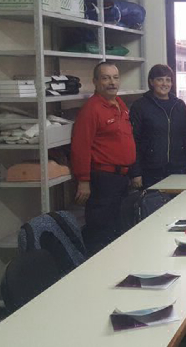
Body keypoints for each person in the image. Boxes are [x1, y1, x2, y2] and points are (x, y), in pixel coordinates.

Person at [71, 62, 138, 254]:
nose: (112, 82)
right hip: (103, 179)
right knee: (101, 231)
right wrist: (83, 180)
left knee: (119, 229)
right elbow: (81, 146)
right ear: (95, 82)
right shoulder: (91, 109)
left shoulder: (120, 106)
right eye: (106, 78)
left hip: (121, 179)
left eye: (115, 78)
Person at [129, 64, 186, 188]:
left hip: (178, 169)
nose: (165, 84)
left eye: (168, 80)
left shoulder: (179, 105)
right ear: (151, 82)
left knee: (178, 206)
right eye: (160, 79)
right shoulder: (140, 106)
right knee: (154, 205)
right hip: (151, 170)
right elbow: (133, 141)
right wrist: (135, 172)